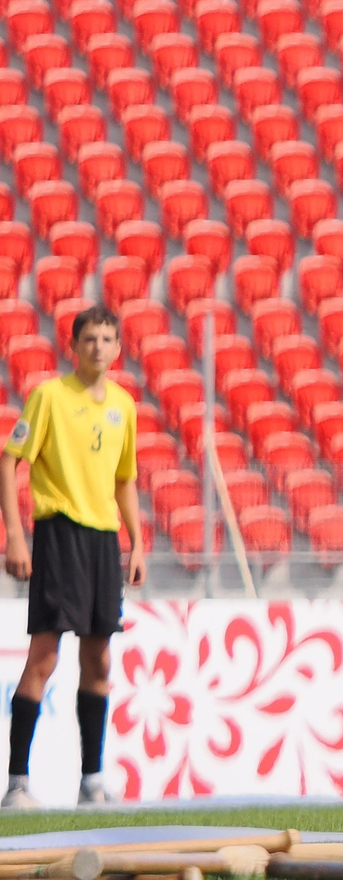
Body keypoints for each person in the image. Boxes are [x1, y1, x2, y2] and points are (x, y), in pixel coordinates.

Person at [0, 306, 146, 809]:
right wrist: (15, 535)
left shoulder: (124, 406)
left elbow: (125, 479)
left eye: (107, 339)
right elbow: (9, 460)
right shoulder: (49, 397)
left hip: (104, 541)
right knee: (44, 655)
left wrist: (137, 541)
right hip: (59, 534)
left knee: (99, 658)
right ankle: (18, 783)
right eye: (89, 338)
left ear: (118, 348)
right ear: (74, 346)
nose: (98, 347)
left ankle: (92, 782)